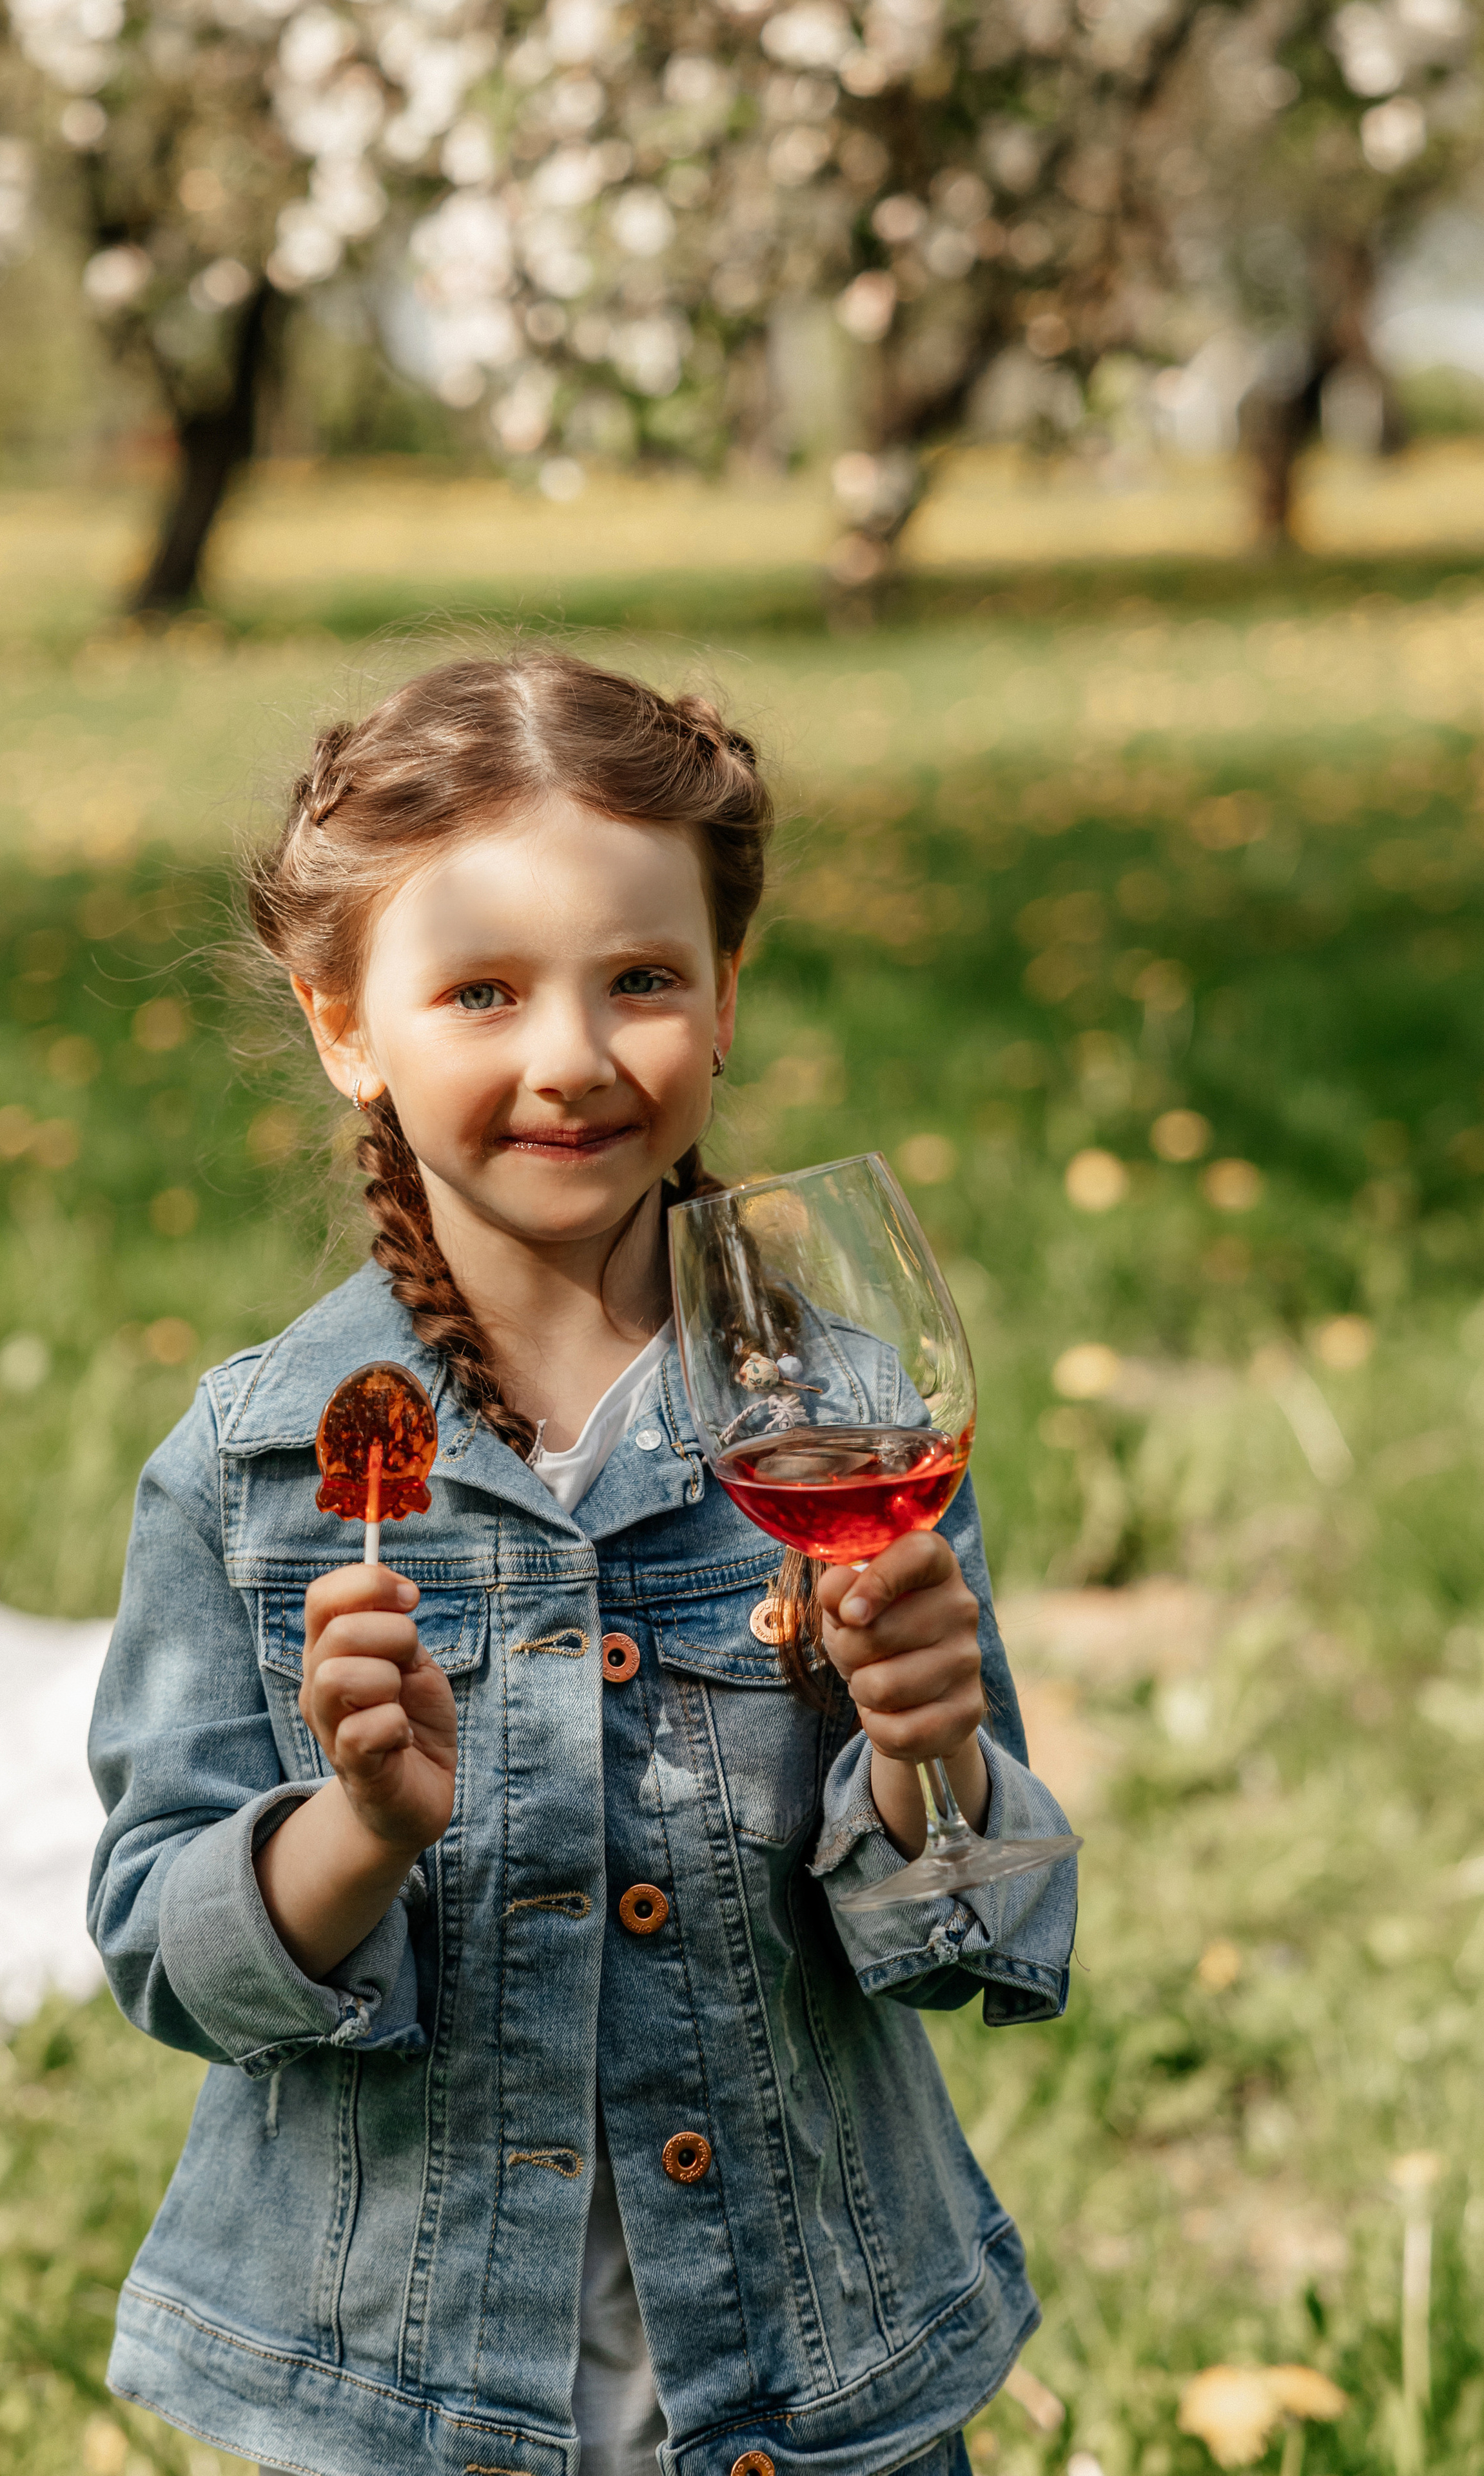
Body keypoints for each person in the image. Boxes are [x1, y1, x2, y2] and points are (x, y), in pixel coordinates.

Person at [87, 648, 1078, 2476]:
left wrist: (930, 1751)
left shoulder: (846, 1438)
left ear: (725, 997)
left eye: (641, 979)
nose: (572, 1058)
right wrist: (359, 1831)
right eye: (481, 991)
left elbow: (963, 1945)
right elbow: (167, 1956)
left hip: (811, 2392)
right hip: (405, 2409)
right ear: (345, 1026)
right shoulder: (255, 1472)